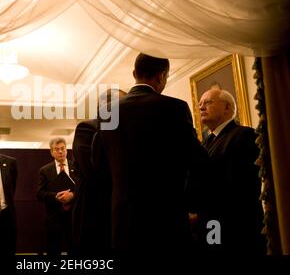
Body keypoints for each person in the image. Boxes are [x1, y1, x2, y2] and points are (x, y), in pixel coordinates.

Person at [99, 53, 209, 254]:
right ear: (162, 76)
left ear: (134, 73)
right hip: (165, 218)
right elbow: (197, 161)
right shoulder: (175, 108)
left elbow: (99, 166)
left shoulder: (108, 112)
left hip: (123, 219)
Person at [199, 88, 265, 254]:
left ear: (227, 107)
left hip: (237, 229)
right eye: (200, 104)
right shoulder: (205, 143)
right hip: (212, 227)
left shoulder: (244, 135)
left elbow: (239, 186)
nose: (201, 107)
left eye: (207, 102)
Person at [72, 88, 127, 255]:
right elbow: (93, 172)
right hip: (94, 210)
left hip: (119, 210)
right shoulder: (87, 128)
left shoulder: (125, 130)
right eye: (122, 104)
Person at [37, 137, 77, 256]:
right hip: (54, 218)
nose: (60, 151)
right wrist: (55, 196)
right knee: (53, 251)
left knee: (74, 250)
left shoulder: (77, 167)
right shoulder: (44, 170)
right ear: (51, 152)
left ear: (66, 150)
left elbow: (85, 189)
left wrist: (73, 195)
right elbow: (39, 194)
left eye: (62, 149)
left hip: (74, 217)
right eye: (56, 149)